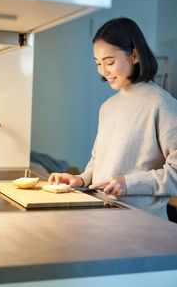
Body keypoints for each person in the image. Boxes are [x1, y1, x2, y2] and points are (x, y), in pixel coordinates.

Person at [48, 17, 177, 219]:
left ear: (134, 55)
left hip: (143, 227)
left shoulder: (161, 104)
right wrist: (81, 179)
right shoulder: (108, 107)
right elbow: (99, 161)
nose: (103, 71)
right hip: (104, 219)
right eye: (98, 63)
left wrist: (128, 184)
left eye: (109, 62)